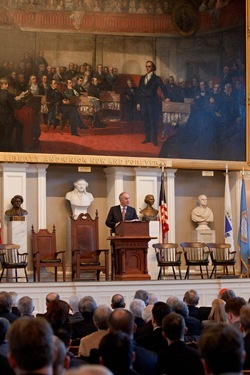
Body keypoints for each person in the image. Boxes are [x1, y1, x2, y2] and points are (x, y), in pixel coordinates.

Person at [136, 60, 168, 146]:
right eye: (146, 66)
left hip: (152, 103)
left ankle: (154, 140)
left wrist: (167, 97)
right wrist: (138, 103)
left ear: (153, 68)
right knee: (146, 120)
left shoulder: (157, 78)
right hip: (144, 103)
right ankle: (147, 138)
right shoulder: (142, 78)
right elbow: (139, 91)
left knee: (153, 121)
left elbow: (163, 88)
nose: (147, 68)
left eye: (149, 66)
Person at [0, 77, 25, 151]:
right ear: (2, 85)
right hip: (7, 119)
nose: (7, 86)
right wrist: (23, 99)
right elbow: (17, 106)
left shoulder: (3, 93)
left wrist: (15, 99)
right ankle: (17, 146)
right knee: (18, 127)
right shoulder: (7, 94)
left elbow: (6, 102)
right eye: (6, 84)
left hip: (1, 117)